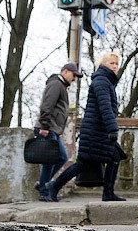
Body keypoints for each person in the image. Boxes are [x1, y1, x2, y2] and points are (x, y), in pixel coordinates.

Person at [46, 52, 125, 202]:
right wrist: (112, 128)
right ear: (103, 65)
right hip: (96, 131)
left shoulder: (105, 81)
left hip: (97, 130)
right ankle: (55, 186)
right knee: (97, 160)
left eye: (116, 64)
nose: (115, 66)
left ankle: (55, 186)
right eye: (111, 63)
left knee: (108, 157)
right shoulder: (102, 81)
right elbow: (105, 107)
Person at [34, 62, 82, 201]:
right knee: (50, 160)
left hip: (52, 129)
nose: (74, 79)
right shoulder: (56, 84)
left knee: (61, 157)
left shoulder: (61, 86)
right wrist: (44, 127)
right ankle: (43, 191)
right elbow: (47, 105)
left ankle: (42, 184)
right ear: (65, 71)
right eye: (73, 75)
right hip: (47, 128)